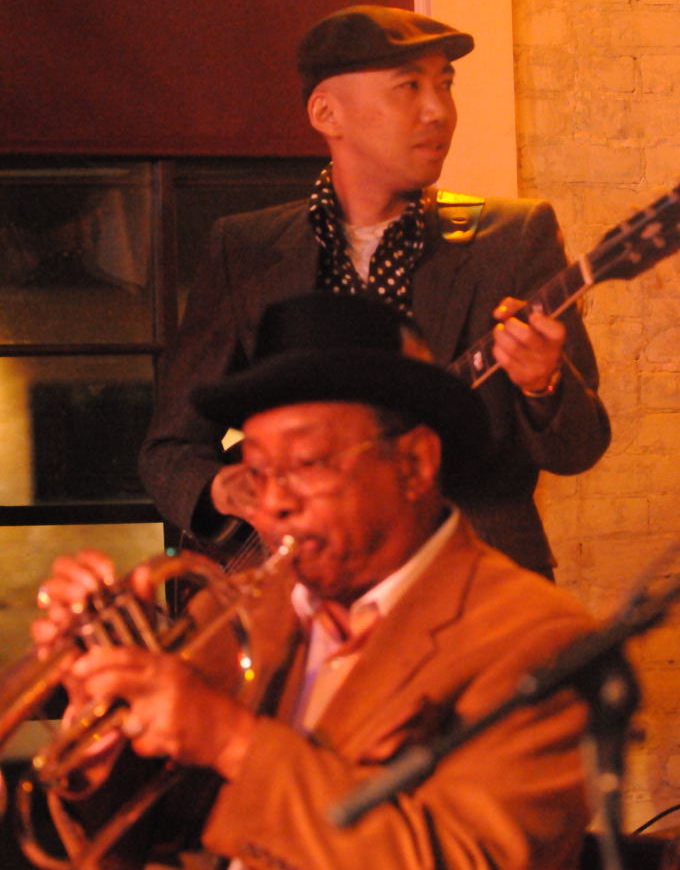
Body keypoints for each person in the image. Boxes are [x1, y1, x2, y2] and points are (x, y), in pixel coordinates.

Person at [33, 293, 596, 870]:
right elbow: (148, 841)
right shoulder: (236, 613)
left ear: (415, 465)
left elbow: (472, 859)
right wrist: (107, 722)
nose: (273, 503)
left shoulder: (536, 639)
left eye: (305, 464)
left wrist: (231, 740)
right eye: (256, 473)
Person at [138, 3, 611, 577]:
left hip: (476, 585)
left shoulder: (512, 238)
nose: (438, 111)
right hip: (297, 590)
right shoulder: (245, 248)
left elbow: (578, 448)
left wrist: (543, 383)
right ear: (326, 112)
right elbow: (170, 450)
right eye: (409, 87)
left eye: (445, 85)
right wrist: (227, 492)